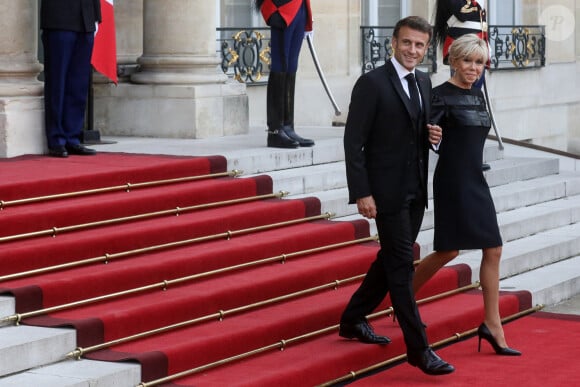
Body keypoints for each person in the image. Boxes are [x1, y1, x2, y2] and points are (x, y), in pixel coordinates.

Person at [339, 16, 454, 376]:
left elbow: (412, 132)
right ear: (393, 42)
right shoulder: (371, 83)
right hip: (384, 194)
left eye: (420, 45)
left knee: (391, 258)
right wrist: (362, 192)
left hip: (415, 191)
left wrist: (431, 136)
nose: (413, 51)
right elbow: (353, 142)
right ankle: (418, 348)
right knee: (402, 266)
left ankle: (353, 318)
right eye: (407, 43)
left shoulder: (423, 81)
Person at [412, 34, 521, 356]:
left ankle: (492, 324)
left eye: (478, 62)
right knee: (448, 251)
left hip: (476, 178)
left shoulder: (477, 95)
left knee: (494, 248)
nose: (473, 68)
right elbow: (422, 136)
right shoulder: (437, 96)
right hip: (453, 180)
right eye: (467, 61)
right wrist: (431, 136)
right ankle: (403, 300)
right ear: (454, 61)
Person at [434, 0, 490, 170]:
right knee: (459, 104)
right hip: (462, 45)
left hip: (477, 45)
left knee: (472, 104)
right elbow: (462, 14)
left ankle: (474, 156)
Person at [40, 0, 100, 158]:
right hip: (60, 19)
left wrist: (95, 16)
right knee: (57, 82)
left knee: (78, 85)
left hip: (86, 19)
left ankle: (72, 137)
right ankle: (56, 139)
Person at [255, 0, 315, 148]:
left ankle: (288, 127)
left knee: (291, 67)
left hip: (299, 6)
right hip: (281, 7)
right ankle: (275, 131)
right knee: (280, 65)